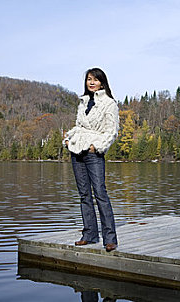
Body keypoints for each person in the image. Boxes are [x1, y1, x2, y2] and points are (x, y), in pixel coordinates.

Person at [63, 67, 119, 252]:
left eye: (95, 79)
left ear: (102, 82)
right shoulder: (83, 102)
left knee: (100, 194)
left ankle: (110, 238)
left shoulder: (109, 103)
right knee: (84, 195)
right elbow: (79, 126)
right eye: (89, 79)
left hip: (94, 152)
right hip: (77, 151)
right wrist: (68, 138)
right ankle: (89, 234)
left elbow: (111, 131)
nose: (91, 82)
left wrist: (98, 147)